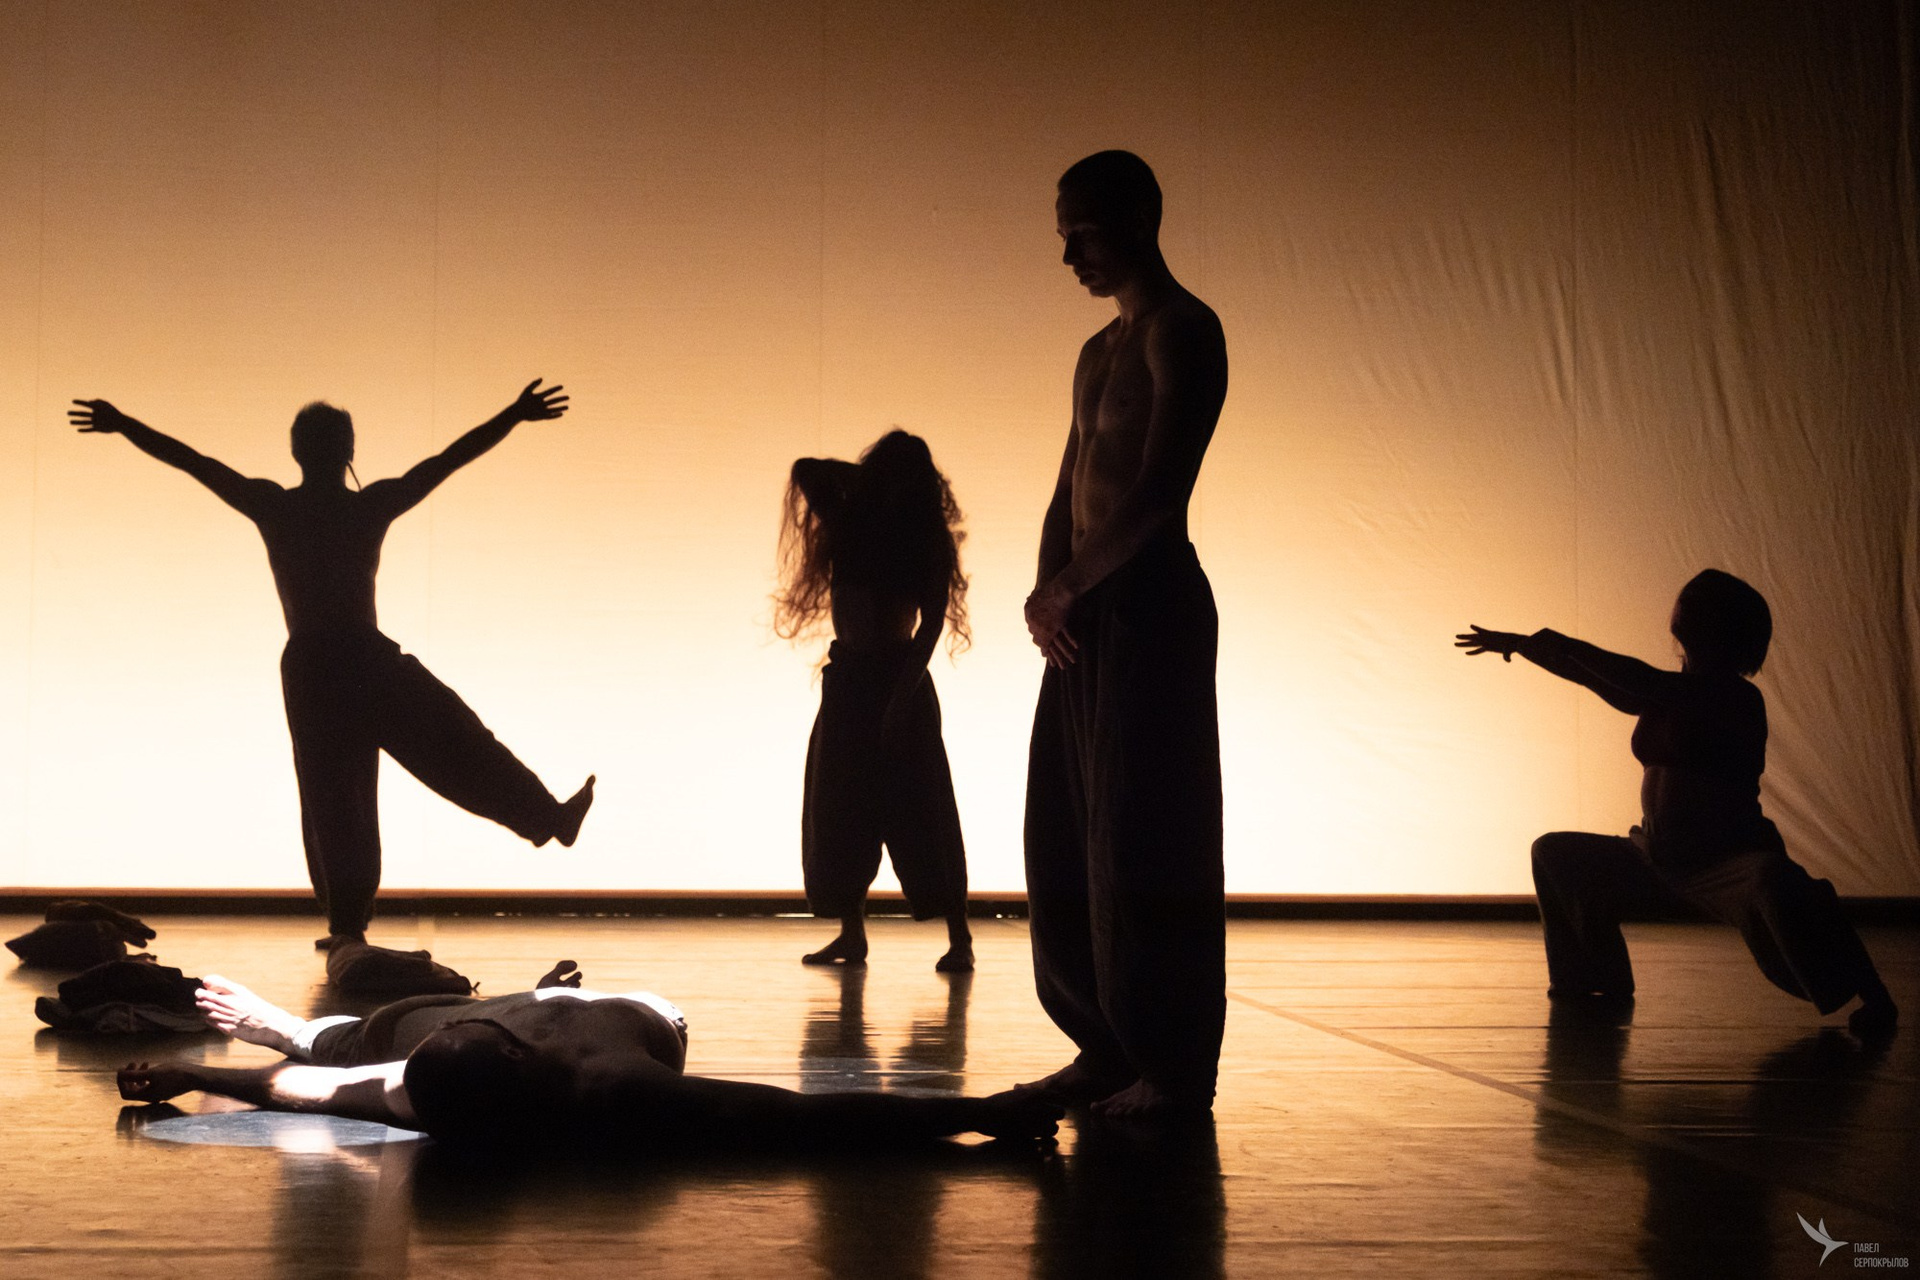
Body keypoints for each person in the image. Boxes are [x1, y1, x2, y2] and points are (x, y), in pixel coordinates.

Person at [71, 383, 596, 949]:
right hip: (350, 659)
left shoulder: (281, 506)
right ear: (348, 451)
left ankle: (359, 916)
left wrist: (124, 424)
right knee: (415, 758)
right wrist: (513, 414)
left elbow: (195, 462)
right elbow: (445, 461)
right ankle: (363, 915)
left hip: (324, 663)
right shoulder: (359, 507)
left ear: (298, 452)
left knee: (343, 792)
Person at [1458, 568, 1898, 1039]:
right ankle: (1595, 979)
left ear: (1721, 627)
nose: (1682, 605)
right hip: (1654, 856)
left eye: (1697, 602)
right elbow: (1596, 677)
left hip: (1724, 865)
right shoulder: (1662, 693)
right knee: (1555, 853)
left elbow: (1633, 677)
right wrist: (1525, 646)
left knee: (1776, 880)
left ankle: (1874, 997)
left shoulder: (1735, 697)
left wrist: (1541, 641)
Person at [1020, 150, 1230, 1119]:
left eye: (1084, 234)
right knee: (1068, 830)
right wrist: (1047, 590)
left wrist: (1070, 584)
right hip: (1083, 615)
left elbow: (1159, 488)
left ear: (1138, 221)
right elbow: (1071, 481)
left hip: (1147, 605)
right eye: (1064, 236)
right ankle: (1103, 1044)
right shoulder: (1095, 350)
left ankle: (1172, 1065)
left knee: (1149, 834)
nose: (1070, 257)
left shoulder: (1184, 330)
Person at [116, 969, 1062, 1148]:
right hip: (497, 1016)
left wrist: (988, 1112)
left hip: (601, 1014)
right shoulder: (444, 1071)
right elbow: (306, 1088)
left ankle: (295, 1016)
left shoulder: (614, 1087)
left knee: (346, 1039)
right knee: (369, 1029)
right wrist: (983, 1114)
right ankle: (324, 1014)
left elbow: (802, 1119)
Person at [775, 431, 974, 971]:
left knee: (923, 810)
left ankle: (960, 938)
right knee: (842, 809)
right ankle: (852, 934)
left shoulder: (924, 541)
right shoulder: (851, 523)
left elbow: (930, 625)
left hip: (898, 677)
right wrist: (875, 481)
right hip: (849, 680)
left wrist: (902, 697)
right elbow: (807, 466)